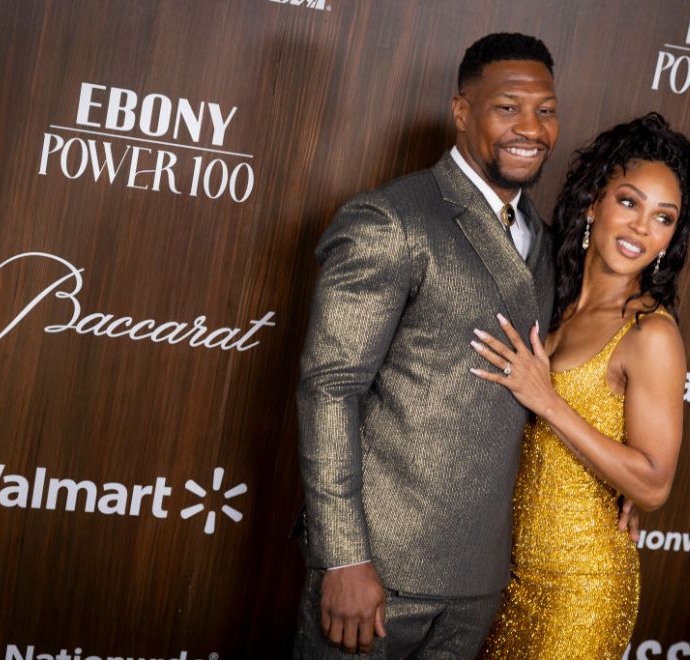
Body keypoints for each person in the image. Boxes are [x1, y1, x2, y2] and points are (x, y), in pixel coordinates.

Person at [293, 33, 561, 658]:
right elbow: (331, 390)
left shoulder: (544, 241)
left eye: (546, 109)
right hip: (376, 574)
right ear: (462, 111)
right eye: (508, 107)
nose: (531, 127)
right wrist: (343, 557)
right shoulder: (393, 219)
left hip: (479, 578)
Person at [471, 113, 690, 658]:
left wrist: (549, 402)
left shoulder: (651, 332)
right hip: (505, 581)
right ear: (594, 202)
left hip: (582, 591)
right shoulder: (552, 295)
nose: (642, 228)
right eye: (629, 202)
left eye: (663, 217)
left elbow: (652, 485)